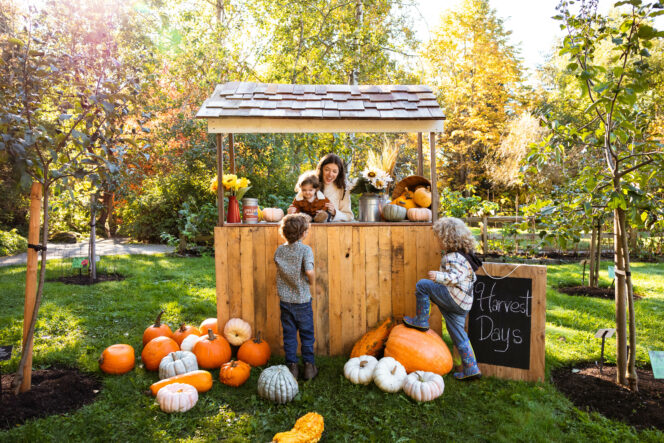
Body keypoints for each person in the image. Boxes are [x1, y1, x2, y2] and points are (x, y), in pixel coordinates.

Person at [403, 217, 483, 381]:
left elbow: (456, 277)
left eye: (439, 238)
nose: (438, 241)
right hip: (463, 304)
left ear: (447, 238)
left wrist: (438, 276)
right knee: (459, 335)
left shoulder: (453, 257)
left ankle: (421, 320)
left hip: (454, 298)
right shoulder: (465, 256)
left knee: (423, 285)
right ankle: (471, 368)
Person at [274, 213, 318, 381]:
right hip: (302, 301)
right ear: (303, 233)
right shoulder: (305, 250)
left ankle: (292, 367)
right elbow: (308, 270)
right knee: (307, 335)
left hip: (285, 302)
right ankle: (309, 367)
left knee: (289, 335)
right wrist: (311, 281)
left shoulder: (280, 251)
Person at [315, 153, 354, 222]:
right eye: (327, 169)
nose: (330, 174)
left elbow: (349, 216)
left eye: (334, 171)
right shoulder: (311, 183)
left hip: (334, 229)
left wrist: (335, 212)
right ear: (321, 169)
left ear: (339, 173)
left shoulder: (343, 189)